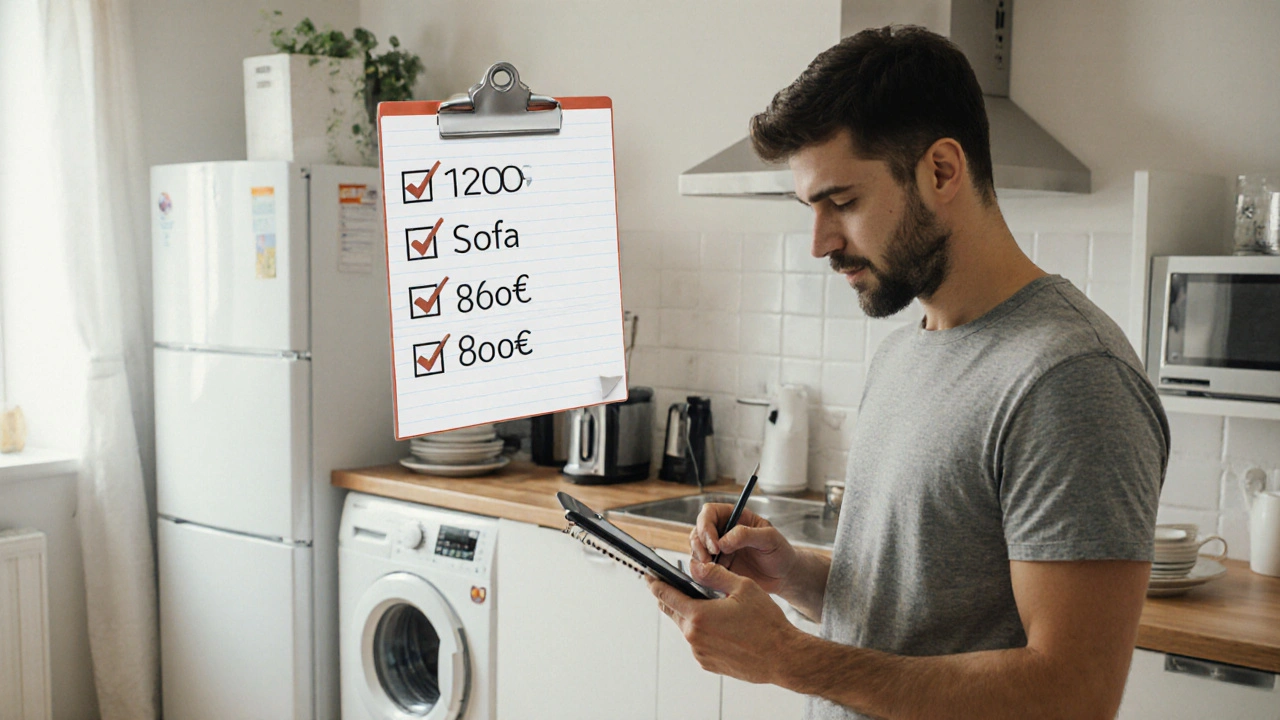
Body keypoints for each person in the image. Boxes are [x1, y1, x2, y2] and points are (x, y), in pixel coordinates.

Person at [646, 25, 1168, 720]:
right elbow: (923, 613)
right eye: (811, 209)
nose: (820, 243)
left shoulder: (1069, 377)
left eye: (844, 202)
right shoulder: (907, 348)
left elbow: (1072, 694)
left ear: (943, 171)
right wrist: (798, 576)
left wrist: (788, 658)